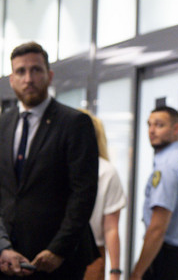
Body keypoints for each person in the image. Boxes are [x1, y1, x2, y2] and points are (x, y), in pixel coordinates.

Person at [0, 42, 99, 279]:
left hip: (57, 261)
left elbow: (83, 194)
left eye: (36, 70)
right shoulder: (3, 123)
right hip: (8, 260)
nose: (28, 78)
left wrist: (58, 250)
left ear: (49, 75)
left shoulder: (75, 123)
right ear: (11, 79)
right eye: (20, 72)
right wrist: (2, 247)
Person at [131, 106, 178, 280]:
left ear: (176, 128)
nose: (152, 131)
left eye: (159, 125)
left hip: (167, 256)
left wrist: (137, 272)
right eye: (149, 125)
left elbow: (157, 228)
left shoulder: (167, 167)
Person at [81, 111, 126, 280]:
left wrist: (115, 272)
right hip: (55, 252)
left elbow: (111, 228)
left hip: (92, 255)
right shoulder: (54, 166)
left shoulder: (106, 171)